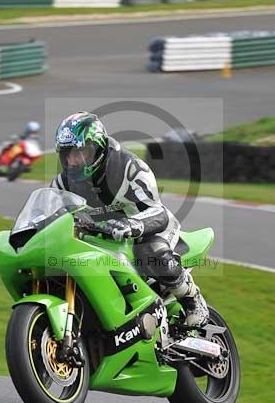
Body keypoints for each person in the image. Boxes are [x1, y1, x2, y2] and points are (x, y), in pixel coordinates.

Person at [51, 111, 209, 327]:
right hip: (101, 240)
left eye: (81, 152)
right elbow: (51, 218)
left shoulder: (129, 168)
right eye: (68, 154)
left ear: (97, 148)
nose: (74, 160)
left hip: (147, 230)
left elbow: (159, 213)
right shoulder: (62, 185)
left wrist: (132, 225)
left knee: (150, 252)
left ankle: (192, 299)